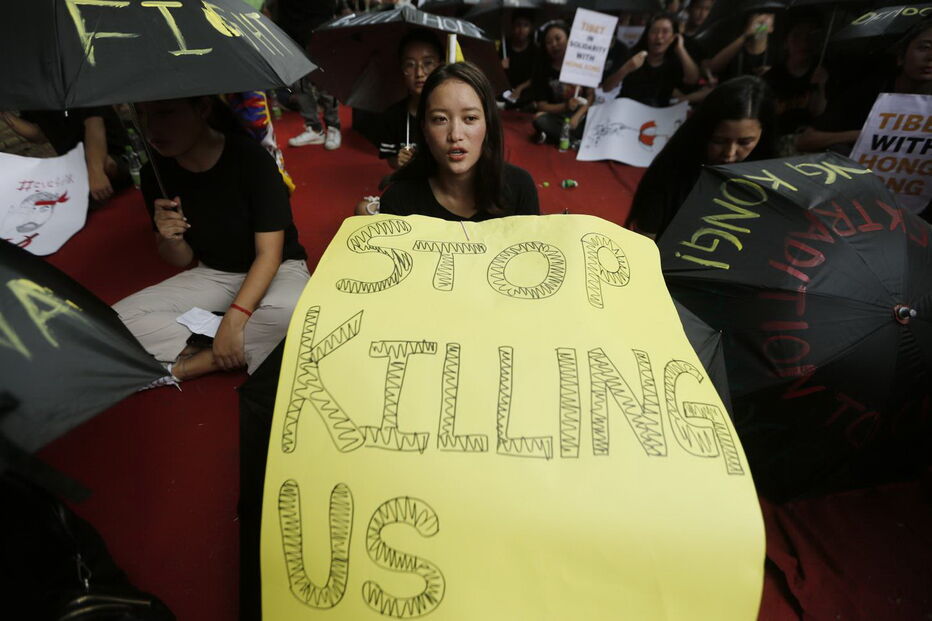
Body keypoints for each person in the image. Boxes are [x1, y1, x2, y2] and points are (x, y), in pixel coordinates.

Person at [112, 97, 309, 383]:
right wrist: (172, 238)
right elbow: (180, 259)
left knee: (290, 312)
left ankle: (193, 363)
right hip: (215, 273)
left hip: (278, 268)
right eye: (142, 115)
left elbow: (269, 254)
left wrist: (236, 316)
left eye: (165, 113)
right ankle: (247, 344)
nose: (151, 128)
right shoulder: (155, 173)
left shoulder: (251, 159)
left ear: (202, 108)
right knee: (114, 323)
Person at [378, 62, 540, 221]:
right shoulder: (398, 202)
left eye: (470, 118)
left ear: (488, 124)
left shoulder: (519, 187)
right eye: (440, 119)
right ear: (424, 128)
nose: (455, 135)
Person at [626, 75, 776, 240]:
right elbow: (644, 244)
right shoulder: (671, 173)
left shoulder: (773, 175)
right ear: (704, 132)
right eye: (719, 141)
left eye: (745, 142)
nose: (730, 153)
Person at [797, 17, 932, 155]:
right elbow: (806, 140)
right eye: (924, 47)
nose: (930, 57)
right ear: (900, 57)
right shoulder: (869, 91)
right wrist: (863, 135)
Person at [2, 107, 130, 205]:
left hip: (114, 155)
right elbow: (39, 135)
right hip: (75, 165)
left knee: (107, 165)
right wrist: (4, 113)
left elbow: (94, 123)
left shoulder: (75, 78)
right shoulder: (34, 92)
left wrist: (95, 171)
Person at [274, 0, 343, 150]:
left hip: (319, 24)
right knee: (298, 83)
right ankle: (314, 128)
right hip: (289, 26)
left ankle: (333, 126)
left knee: (325, 81)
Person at [602, 13, 700, 107]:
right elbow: (606, 88)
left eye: (665, 32)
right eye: (654, 31)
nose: (659, 36)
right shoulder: (632, 56)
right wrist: (627, 68)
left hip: (657, 116)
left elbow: (693, 80)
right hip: (626, 110)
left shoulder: (674, 62)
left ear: (673, 37)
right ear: (647, 35)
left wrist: (680, 49)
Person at [763, 14, 828, 155]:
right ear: (786, 42)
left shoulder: (821, 72)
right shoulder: (772, 77)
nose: (804, 42)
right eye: (797, 36)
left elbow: (818, 112)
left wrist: (821, 86)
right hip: (780, 142)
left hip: (813, 141)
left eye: (811, 36)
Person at [379, 30, 444, 169]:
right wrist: (398, 161)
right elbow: (390, 159)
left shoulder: (453, 113)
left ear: (440, 65)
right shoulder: (393, 115)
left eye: (428, 63)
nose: (419, 73)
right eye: (410, 64)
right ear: (402, 69)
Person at [529, 21, 595, 145]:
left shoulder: (583, 64)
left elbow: (591, 96)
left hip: (583, 117)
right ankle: (572, 139)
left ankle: (560, 137)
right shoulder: (542, 70)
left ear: (569, 39)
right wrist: (565, 106)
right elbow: (542, 106)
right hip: (559, 117)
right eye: (548, 42)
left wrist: (577, 116)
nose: (554, 44)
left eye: (558, 38)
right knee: (538, 118)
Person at [705, 12, 775, 81]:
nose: (761, 18)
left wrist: (772, 74)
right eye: (758, 14)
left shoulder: (776, 54)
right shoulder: (733, 49)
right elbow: (713, 68)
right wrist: (745, 35)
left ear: (771, 28)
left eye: (767, 14)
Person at [502, 10, 538, 109]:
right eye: (518, 25)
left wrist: (520, 88)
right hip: (506, 89)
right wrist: (501, 67)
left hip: (526, 90)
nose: (521, 29)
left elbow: (536, 76)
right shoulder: (505, 46)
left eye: (525, 25)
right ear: (512, 27)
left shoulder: (535, 49)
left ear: (531, 28)